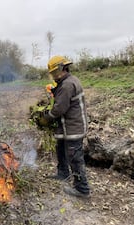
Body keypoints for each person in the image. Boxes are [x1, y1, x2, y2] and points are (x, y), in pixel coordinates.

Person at [43, 55, 90, 198]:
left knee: (75, 157)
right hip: (66, 126)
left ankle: (82, 189)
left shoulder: (67, 85)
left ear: (61, 69)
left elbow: (59, 109)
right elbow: (61, 98)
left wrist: (46, 118)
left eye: (54, 73)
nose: (53, 76)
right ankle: (63, 173)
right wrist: (54, 92)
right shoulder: (67, 82)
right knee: (61, 150)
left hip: (73, 127)